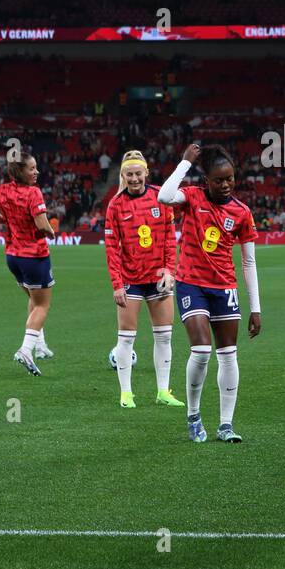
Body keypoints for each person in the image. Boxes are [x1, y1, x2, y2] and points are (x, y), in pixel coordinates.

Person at [158, 143, 261, 443]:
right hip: (192, 283)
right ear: (207, 181)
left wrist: (256, 308)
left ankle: (226, 425)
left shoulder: (242, 213)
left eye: (230, 178)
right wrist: (184, 164)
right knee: (202, 351)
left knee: (229, 355)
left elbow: (249, 261)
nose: (226, 184)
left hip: (224, 287)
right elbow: (164, 196)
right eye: (219, 180)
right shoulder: (191, 197)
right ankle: (193, 416)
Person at [103, 149, 182, 408]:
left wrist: (170, 270)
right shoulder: (115, 205)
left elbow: (171, 239)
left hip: (158, 278)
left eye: (138, 174)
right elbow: (112, 248)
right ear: (123, 176)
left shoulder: (161, 198)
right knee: (126, 337)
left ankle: (163, 392)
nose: (134, 179)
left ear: (146, 173)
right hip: (130, 279)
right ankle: (126, 393)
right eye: (129, 175)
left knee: (164, 336)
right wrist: (117, 284)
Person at [0, 153, 57, 376]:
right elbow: (41, 223)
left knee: (34, 301)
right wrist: (51, 233)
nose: (36, 172)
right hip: (34, 256)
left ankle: (40, 346)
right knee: (43, 306)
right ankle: (25, 349)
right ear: (20, 171)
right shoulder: (33, 193)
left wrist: (8, 220)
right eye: (32, 169)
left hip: (13, 256)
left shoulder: (2, 190)